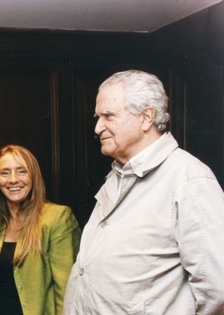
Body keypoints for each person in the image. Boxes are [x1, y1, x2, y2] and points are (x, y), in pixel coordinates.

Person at [63, 70, 224, 314]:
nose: (97, 127)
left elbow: (217, 289)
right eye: (98, 117)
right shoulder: (118, 174)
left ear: (146, 117)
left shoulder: (189, 179)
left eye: (108, 116)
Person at [0, 145, 80, 315]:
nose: (13, 180)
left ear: (34, 177)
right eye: (4, 173)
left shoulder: (56, 218)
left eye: (21, 171)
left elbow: (67, 290)